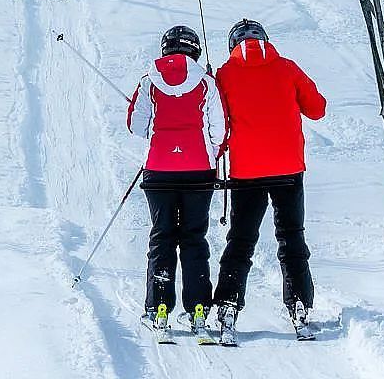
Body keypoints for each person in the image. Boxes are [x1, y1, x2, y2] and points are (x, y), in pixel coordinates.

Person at [210, 19, 326, 344]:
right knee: (292, 239)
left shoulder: (224, 75)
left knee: (241, 241)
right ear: (265, 41)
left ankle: (229, 305)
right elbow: (317, 109)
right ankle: (300, 304)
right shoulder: (287, 68)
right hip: (288, 168)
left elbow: (216, 123)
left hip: (247, 171)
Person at [126, 25, 225, 342]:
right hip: (198, 170)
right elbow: (220, 130)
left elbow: (137, 126)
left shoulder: (148, 81)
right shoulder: (207, 82)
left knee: (162, 236)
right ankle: (198, 311)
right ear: (195, 50)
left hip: (159, 170)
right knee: (194, 238)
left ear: (165, 48)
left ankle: (158, 310)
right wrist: (207, 151)